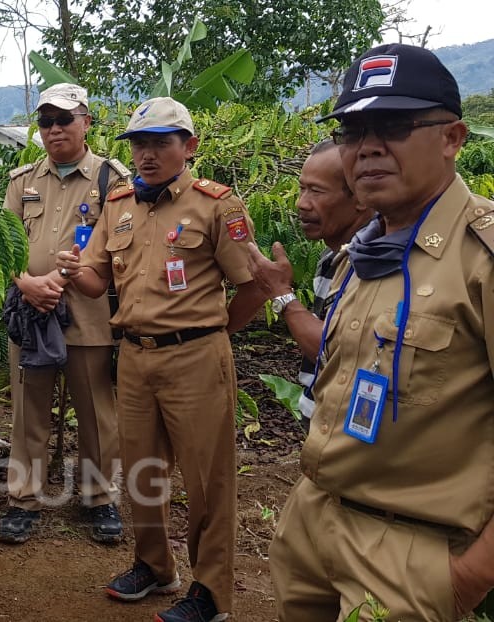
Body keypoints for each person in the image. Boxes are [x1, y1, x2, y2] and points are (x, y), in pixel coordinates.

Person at [268, 43, 494, 621]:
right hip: (315, 521)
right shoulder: (362, 253)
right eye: (352, 130)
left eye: (393, 125)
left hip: (409, 548)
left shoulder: (481, 260)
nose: (367, 146)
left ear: (452, 138)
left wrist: (469, 577)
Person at [57, 97, 267, 622]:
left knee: (207, 479)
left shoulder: (217, 205)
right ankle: (153, 566)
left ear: (188, 147)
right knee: (143, 471)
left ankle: (211, 593)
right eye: (140, 145)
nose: (148, 155)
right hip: (134, 357)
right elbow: (95, 281)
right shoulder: (119, 204)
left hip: (196, 358)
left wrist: (212, 333)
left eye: (161, 143)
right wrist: (70, 271)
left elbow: (253, 287)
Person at [0, 83, 127, 546]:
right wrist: (26, 283)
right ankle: (24, 500)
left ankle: (99, 497)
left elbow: (123, 248)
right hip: (31, 314)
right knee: (28, 409)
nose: (54, 129)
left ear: (86, 121)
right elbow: (3, 245)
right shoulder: (22, 181)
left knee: (95, 410)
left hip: (87, 314)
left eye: (64, 119)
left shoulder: (113, 179)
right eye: (46, 121)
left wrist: (70, 277)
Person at [245, 139, 375, 428]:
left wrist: (281, 295)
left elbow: (331, 350)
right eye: (302, 188)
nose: (301, 203)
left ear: (360, 198)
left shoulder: (372, 260)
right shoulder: (332, 256)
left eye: (316, 191)